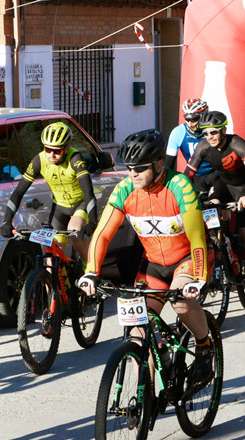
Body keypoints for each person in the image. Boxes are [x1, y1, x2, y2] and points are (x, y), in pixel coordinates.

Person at [79, 129, 215, 400]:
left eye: (140, 168)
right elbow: (103, 233)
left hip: (187, 259)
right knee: (137, 331)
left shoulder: (180, 186)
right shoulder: (125, 189)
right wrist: (91, 272)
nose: (133, 174)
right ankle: (148, 394)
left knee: (181, 302)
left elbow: (197, 236)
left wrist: (198, 278)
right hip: (153, 264)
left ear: (157, 165)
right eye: (129, 168)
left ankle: (204, 345)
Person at [185, 111, 245, 293]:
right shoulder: (203, 147)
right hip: (223, 184)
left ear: (223, 130)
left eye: (213, 132)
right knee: (211, 206)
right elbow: (187, 175)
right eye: (205, 133)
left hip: (244, 187)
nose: (209, 137)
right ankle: (224, 242)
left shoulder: (236, 143)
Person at [0, 122, 96, 259]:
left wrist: (92, 222)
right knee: (52, 252)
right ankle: (56, 278)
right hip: (59, 207)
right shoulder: (39, 160)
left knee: (75, 232)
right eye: (47, 149)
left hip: (79, 204)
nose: (51, 155)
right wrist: (7, 221)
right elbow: (18, 192)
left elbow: (88, 192)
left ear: (67, 149)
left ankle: (90, 271)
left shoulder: (75, 159)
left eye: (57, 151)